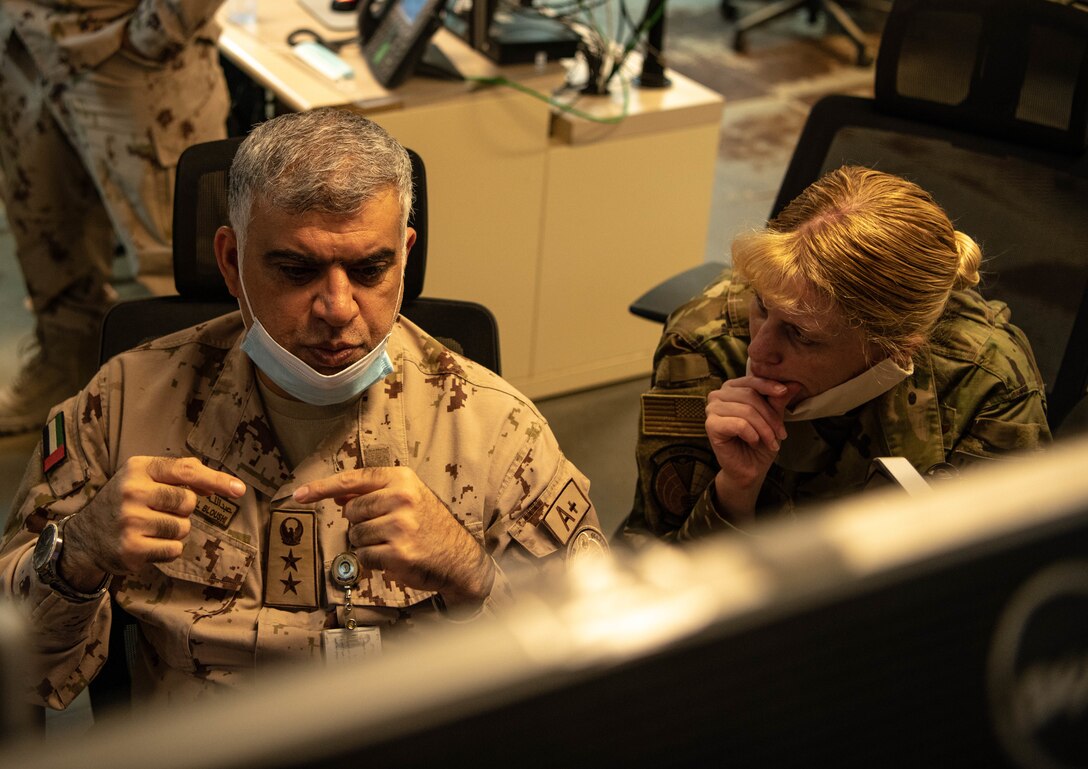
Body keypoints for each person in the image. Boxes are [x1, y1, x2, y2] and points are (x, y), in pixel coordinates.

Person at [0, 108, 605, 709]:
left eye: (371, 269)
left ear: (405, 255)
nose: (339, 307)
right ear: (232, 263)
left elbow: (597, 666)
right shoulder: (125, 404)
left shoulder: (492, 429)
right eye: (297, 270)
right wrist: (75, 555)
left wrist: (472, 572)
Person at [623, 166, 1051, 543]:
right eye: (761, 305)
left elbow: (1000, 581)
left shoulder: (987, 381)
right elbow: (657, 566)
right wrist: (735, 490)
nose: (759, 349)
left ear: (895, 347)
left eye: (801, 335)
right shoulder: (706, 343)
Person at [0, 0, 230, 434]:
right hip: (27, 43)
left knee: (186, 264)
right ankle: (65, 366)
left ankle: (208, 422)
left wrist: (157, 30)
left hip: (131, 56)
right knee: (47, 228)